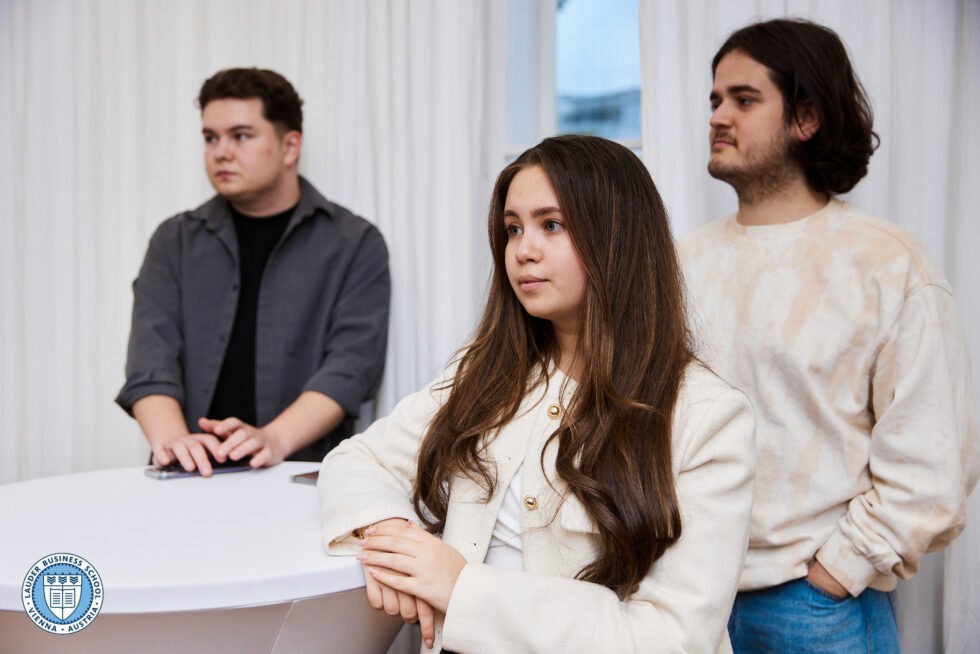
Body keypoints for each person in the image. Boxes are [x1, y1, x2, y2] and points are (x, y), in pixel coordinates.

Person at [318, 135, 756, 653]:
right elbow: (358, 458)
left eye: (552, 225)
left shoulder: (708, 417)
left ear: (618, 237)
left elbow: (670, 638)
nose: (523, 250)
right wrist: (397, 540)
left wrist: (459, 587)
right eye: (512, 229)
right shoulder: (483, 374)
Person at [680, 18, 979, 652]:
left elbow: (934, 461)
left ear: (806, 118)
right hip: (687, 598)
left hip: (814, 609)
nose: (717, 116)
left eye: (744, 99)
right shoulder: (679, 265)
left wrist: (835, 575)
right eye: (714, 100)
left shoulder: (887, 264)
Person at [116, 68, 390, 475]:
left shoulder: (354, 243)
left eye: (241, 136)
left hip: (297, 477)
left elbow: (350, 370)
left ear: (290, 146)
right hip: (188, 478)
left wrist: (273, 439)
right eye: (210, 138)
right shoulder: (173, 241)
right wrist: (175, 443)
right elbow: (149, 363)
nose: (221, 152)